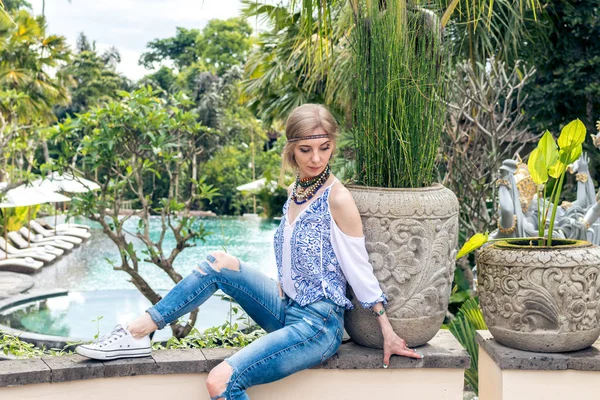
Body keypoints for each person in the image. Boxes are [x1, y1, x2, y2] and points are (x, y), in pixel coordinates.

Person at [76, 104, 422, 400]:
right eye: (305, 149)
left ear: (333, 146)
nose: (316, 158)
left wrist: (386, 331)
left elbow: (358, 268)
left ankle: (137, 334)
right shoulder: (296, 191)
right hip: (286, 307)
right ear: (291, 150)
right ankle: (137, 332)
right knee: (218, 263)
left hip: (318, 325)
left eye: (324, 147)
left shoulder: (338, 199)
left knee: (220, 381)